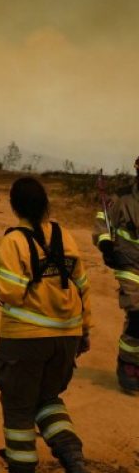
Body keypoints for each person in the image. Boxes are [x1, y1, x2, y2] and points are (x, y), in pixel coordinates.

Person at [0, 176, 95, 473]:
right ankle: (75, 463)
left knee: (18, 405)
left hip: (27, 339)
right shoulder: (65, 237)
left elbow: (11, 291)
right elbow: (83, 287)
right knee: (47, 398)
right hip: (67, 336)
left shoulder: (13, 242)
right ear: (45, 204)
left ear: (14, 205)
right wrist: (85, 331)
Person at [93, 156, 139, 394]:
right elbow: (103, 221)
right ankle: (128, 364)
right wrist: (106, 246)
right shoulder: (121, 199)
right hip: (128, 265)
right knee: (138, 315)